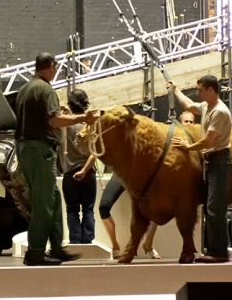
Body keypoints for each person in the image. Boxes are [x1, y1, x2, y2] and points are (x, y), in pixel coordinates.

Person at [14, 53, 97, 266]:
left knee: (53, 197)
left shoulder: (26, 89)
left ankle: (57, 247)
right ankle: (35, 251)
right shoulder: (46, 89)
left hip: (27, 149)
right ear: (51, 67)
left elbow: (40, 117)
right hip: (40, 150)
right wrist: (83, 117)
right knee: (43, 203)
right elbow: (54, 120)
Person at [168, 75, 232, 263]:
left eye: (200, 89)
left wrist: (188, 147)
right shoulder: (207, 107)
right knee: (210, 207)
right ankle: (214, 250)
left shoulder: (219, 111)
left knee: (215, 208)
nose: (197, 93)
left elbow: (208, 141)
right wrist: (176, 90)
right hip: (211, 161)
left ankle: (219, 252)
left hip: (219, 161)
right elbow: (188, 105)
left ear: (210, 90)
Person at [60, 89, 97, 245]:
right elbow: (94, 152)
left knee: (72, 211)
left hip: (69, 173)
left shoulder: (64, 126)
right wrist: (84, 170)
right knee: (88, 210)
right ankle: (88, 240)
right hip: (88, 173)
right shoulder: (91, 125)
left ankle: (75, 241)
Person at [98, 170, 161, 260]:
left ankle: (146, 244)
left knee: (150, 207)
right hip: (120, 174)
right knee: (103, 207)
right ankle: (115, 245)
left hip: (141, 175)